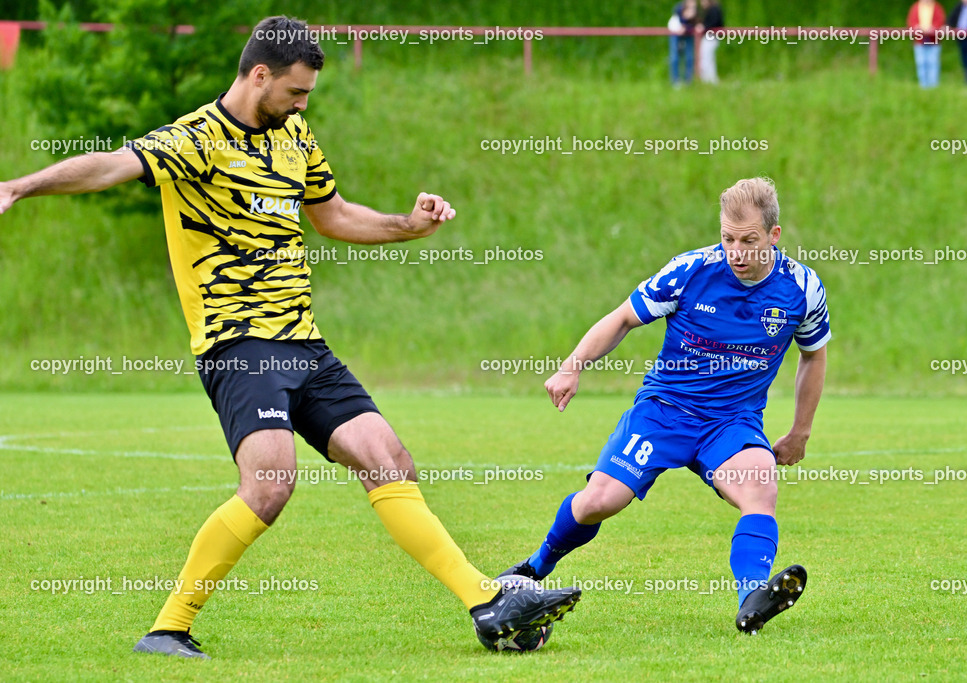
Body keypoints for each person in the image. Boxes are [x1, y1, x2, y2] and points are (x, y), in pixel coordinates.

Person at [0, 15, 580, 659]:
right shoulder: (195, 139)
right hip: (238, 343)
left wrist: (405, 227)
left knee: (389, 460)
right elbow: (110, 165)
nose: (303, 104)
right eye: (295, 92)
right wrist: (19, 187)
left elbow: (331, 214)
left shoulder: (294, 133)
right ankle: (167, 629)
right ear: (258, 75)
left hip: (304, 343)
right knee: (271, 483)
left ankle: (485, 603)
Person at [503, 177, 830, 634]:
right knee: (599, 501)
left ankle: (753, 598)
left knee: (761, 488)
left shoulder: (802, 289)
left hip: (731, 423)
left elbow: (813, 355)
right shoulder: (691, 270)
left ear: (774, 236)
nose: (736, 251)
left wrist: (800, 431)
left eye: (749, 241)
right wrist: (572, 365)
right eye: (727, 238)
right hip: (664, 410)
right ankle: (534, 568)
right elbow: (622, 318)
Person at [908, 0, 946, 88]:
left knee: (933, 62)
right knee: (921, 63)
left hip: (933, 40)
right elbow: (911, 22)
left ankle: (933, 86)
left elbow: (940, 21)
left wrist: (933, 28)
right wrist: (916, 27)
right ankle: (923, 85)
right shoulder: (915, 7)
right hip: (920, 40)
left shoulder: (937, 8)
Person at [668, 0, 700, 87]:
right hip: (676, 34)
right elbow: (677, 19)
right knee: (675, 57)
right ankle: (675, 80)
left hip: (689, 34)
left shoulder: (696, 10)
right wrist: (685, 19)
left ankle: (688, 80)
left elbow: (696, 23)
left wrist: (693, 25)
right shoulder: (679, 8)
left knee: (689, 57)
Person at [698, 0, 725, 84]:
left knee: (707, 58)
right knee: (705, 57)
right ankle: (707, 78)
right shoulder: (710, 10)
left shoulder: (714, 9)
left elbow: (715, 22)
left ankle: (710, 79)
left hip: (711, 36)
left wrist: (704, 27)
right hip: (710, 36)